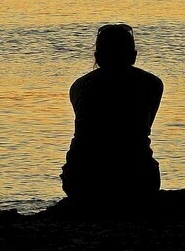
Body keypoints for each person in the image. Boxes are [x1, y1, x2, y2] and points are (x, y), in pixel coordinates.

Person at [60, 24, 164, 205]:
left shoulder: (79, 87)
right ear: (133, 56)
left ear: (97, 57)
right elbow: (143, 128)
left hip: (82, 181)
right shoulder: (152, 84)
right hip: (137, 180)